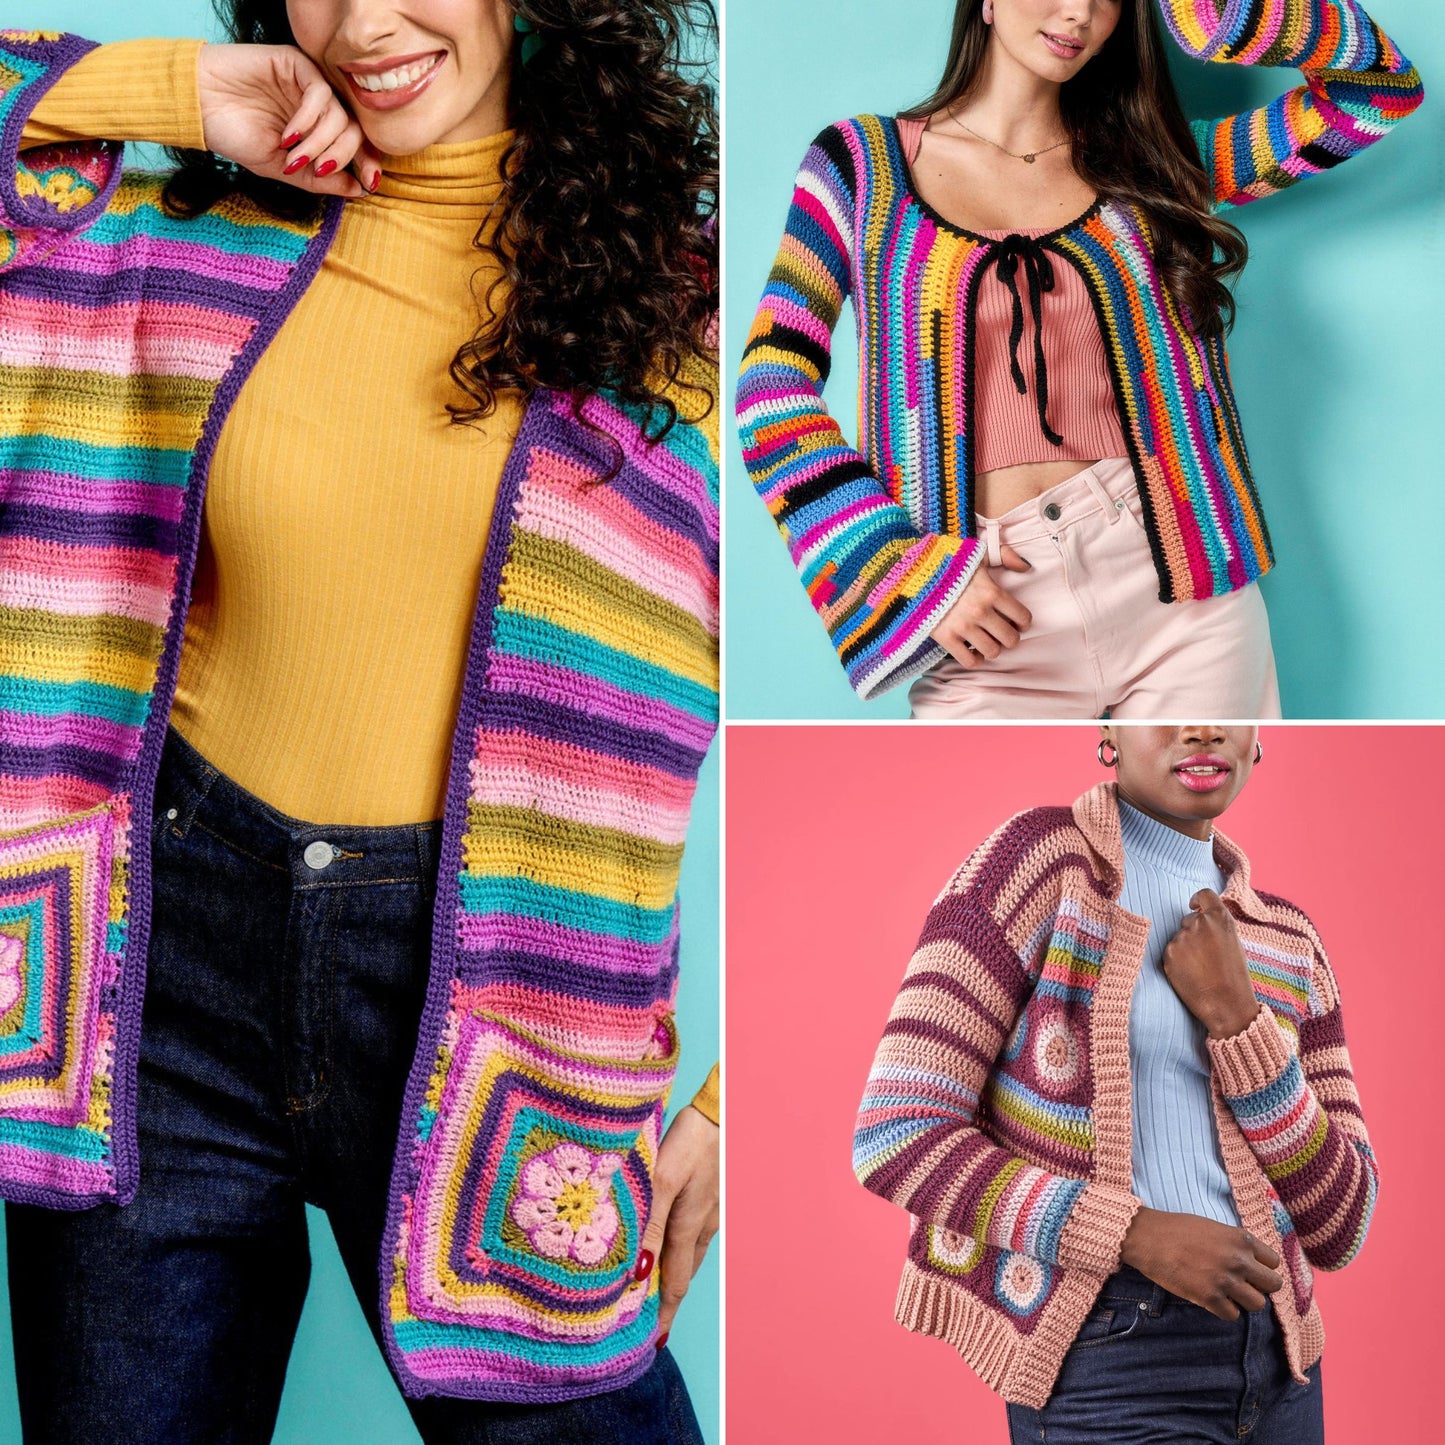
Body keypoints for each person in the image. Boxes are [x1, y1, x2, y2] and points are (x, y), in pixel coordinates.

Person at [0, 3, 719, 1440]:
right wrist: (186, 92)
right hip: (153, 986)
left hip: (505, 995)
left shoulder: (686, 304)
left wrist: (743, 1091)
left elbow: (888, 741)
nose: (365, 21)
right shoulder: (183, 230)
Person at [736, 0, 1422, 716]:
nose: (1080, 13)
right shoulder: (858, 165)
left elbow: (1378, 91)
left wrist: (1205, 14)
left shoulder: (1157, 165)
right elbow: (769, 386)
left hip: (1183, 592)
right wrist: (901, 571)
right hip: (990, 606)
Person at [852, 725, 1377, 1442]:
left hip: (1281, 1361)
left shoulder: (1289, 940)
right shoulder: (1037, 866)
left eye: (1226, 704)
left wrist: (1237, 1018)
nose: (1203, 725)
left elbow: (1341, 1223)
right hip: (1109, 1354)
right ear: (1108, 727)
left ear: (1259, 739)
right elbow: (897, 1132)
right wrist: (1134, 1233)